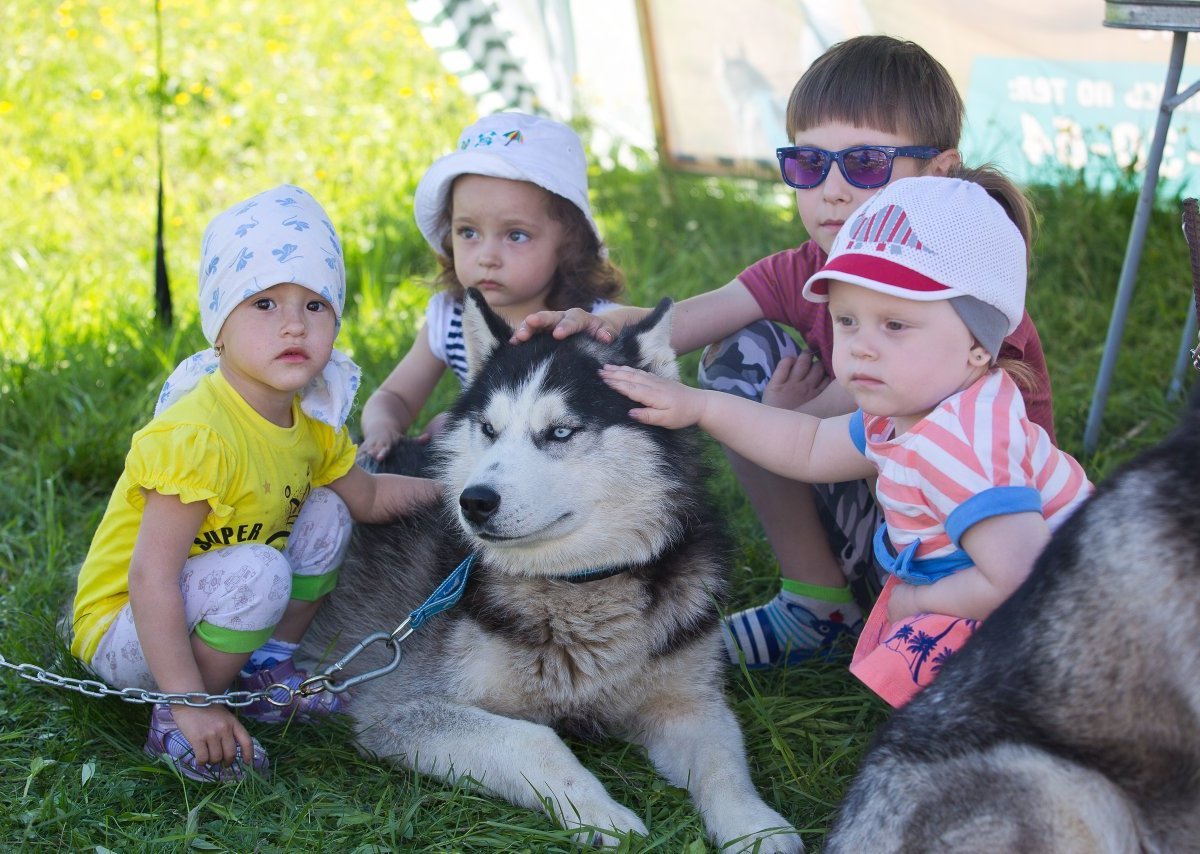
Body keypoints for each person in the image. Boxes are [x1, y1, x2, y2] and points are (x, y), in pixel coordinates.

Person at [513, 36, 1057, 669]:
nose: (831, 190)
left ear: (938, 172)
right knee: (736, 351)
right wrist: (596, 324)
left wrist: (795, 410)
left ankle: (891, 613)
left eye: (865, 164)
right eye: (808, 163)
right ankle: (818, 602)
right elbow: (687, 320)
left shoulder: (955, 293)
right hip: (883, 503)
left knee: (752, 391)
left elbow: (858, 417)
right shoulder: (812, 264)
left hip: (975, 545)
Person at [600, 176, 1091, 708]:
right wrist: (701, 406)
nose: (861, 348)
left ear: (979, 345)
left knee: (954, 722)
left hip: (1071, 619)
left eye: (896, 324)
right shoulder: (910, 409)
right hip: (1002, 587)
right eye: (847, 320)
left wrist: (919, 601)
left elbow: (1023, 577)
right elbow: (809, 445)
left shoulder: (965, 444)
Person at [70, 185, 441, 782]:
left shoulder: (311, 423)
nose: (293, 324)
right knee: (258, 571)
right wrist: (193, 703)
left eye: (315, 305)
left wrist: (455, 492)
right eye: (264, 304)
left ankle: (267, 670)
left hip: (214, 600)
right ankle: (180, 717)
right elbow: (150, 578)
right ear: (219, 325)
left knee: (329, 509)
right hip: (128, 629)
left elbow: (369, 499)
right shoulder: (200, 434)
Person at [357, 112, 624, 461]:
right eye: (468, 232)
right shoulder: (450, 317)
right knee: (444, 431)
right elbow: (397, 396)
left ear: (569, 245)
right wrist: (382, 427)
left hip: (561, 468)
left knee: (447, 426)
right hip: (488, 465)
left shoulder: (595, 325)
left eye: (516, 235)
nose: (487, 257)